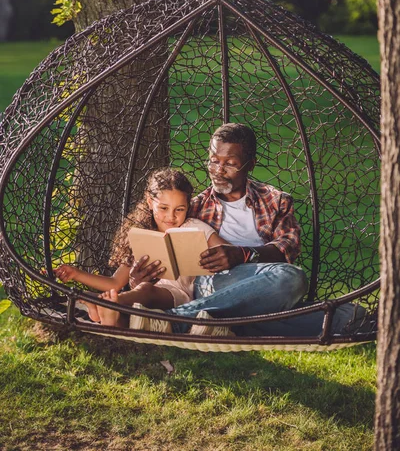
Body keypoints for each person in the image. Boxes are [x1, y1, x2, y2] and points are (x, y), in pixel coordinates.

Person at [127, 123, 309, 336]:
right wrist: (137, 281)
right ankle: (184, 321)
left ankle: (187, 319)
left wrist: (242, 254)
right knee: (294, 283)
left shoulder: (275, 201)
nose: (219, 171)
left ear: (250, 164)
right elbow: (169, 259)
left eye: (230, 164)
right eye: (214, 162)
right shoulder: (194, 208)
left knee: (297, 282)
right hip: (212, 282)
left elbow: (288, 248)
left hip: (262, 282)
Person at [54, 167, 229, 327]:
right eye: (163, 208)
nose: (171, 216)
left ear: (188, 206)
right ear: (149, 201)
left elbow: (228, 252)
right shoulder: (142, 235)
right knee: (134, 307)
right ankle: (109, 315)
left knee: (145, 290)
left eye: (179, 209)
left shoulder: (193, 226)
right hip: (140, 302)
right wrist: (76, 274)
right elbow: (115, 282)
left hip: (179, 296)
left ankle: (106, 304)